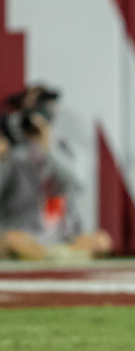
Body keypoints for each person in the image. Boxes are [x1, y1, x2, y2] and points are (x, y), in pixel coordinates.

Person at [0, 86, 110, 261]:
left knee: (102, 240)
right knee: (12, 241)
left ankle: (52, 255)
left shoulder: (65, 150)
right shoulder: (14, 155)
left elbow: (79, 182)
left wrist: (48, 148)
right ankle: (54, 257)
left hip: (62, 234)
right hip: (27, 233)